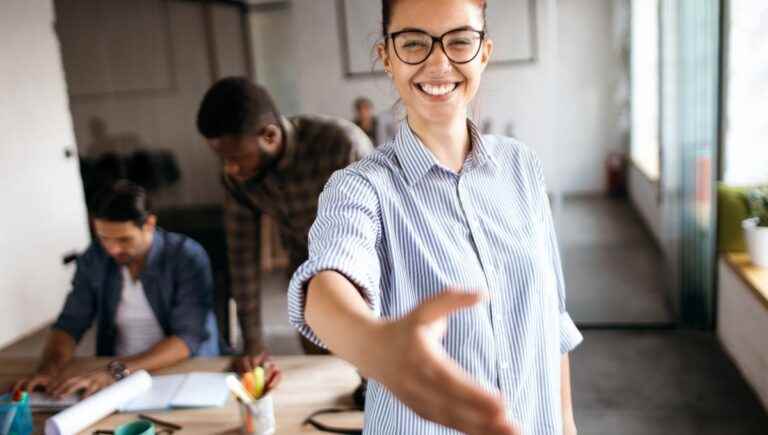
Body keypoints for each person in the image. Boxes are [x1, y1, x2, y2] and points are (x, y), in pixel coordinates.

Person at [287, 1, 583, 434]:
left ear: (484, 52)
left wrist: (568, 425)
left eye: (460, 41)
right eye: (413, 43)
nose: (439, 63)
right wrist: (375, 345)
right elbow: (328, 284)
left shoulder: (522, 167)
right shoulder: (360, 187)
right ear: (386, 56)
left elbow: (552, 321)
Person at [196, 77, 373, 372]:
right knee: (322, 378)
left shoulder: (340, 145)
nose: (230, 169)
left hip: (367, 277)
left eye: (237, 157)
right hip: (309, 284)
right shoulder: (237, 179)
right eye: (222, 158)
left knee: (376, 377)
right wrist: (252, 341)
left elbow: (386, 231)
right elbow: (243, 260)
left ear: (269, 135)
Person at [13, 181, 219, 398]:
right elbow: (70, 323)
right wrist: (47, 370)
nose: (112, 249)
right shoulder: (94, 257)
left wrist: (116, 371)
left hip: (175, 369)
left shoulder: (186, 256)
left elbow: (188, 338)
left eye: (123, 239)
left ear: (149, 223)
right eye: (104, 238)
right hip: (115, 372)